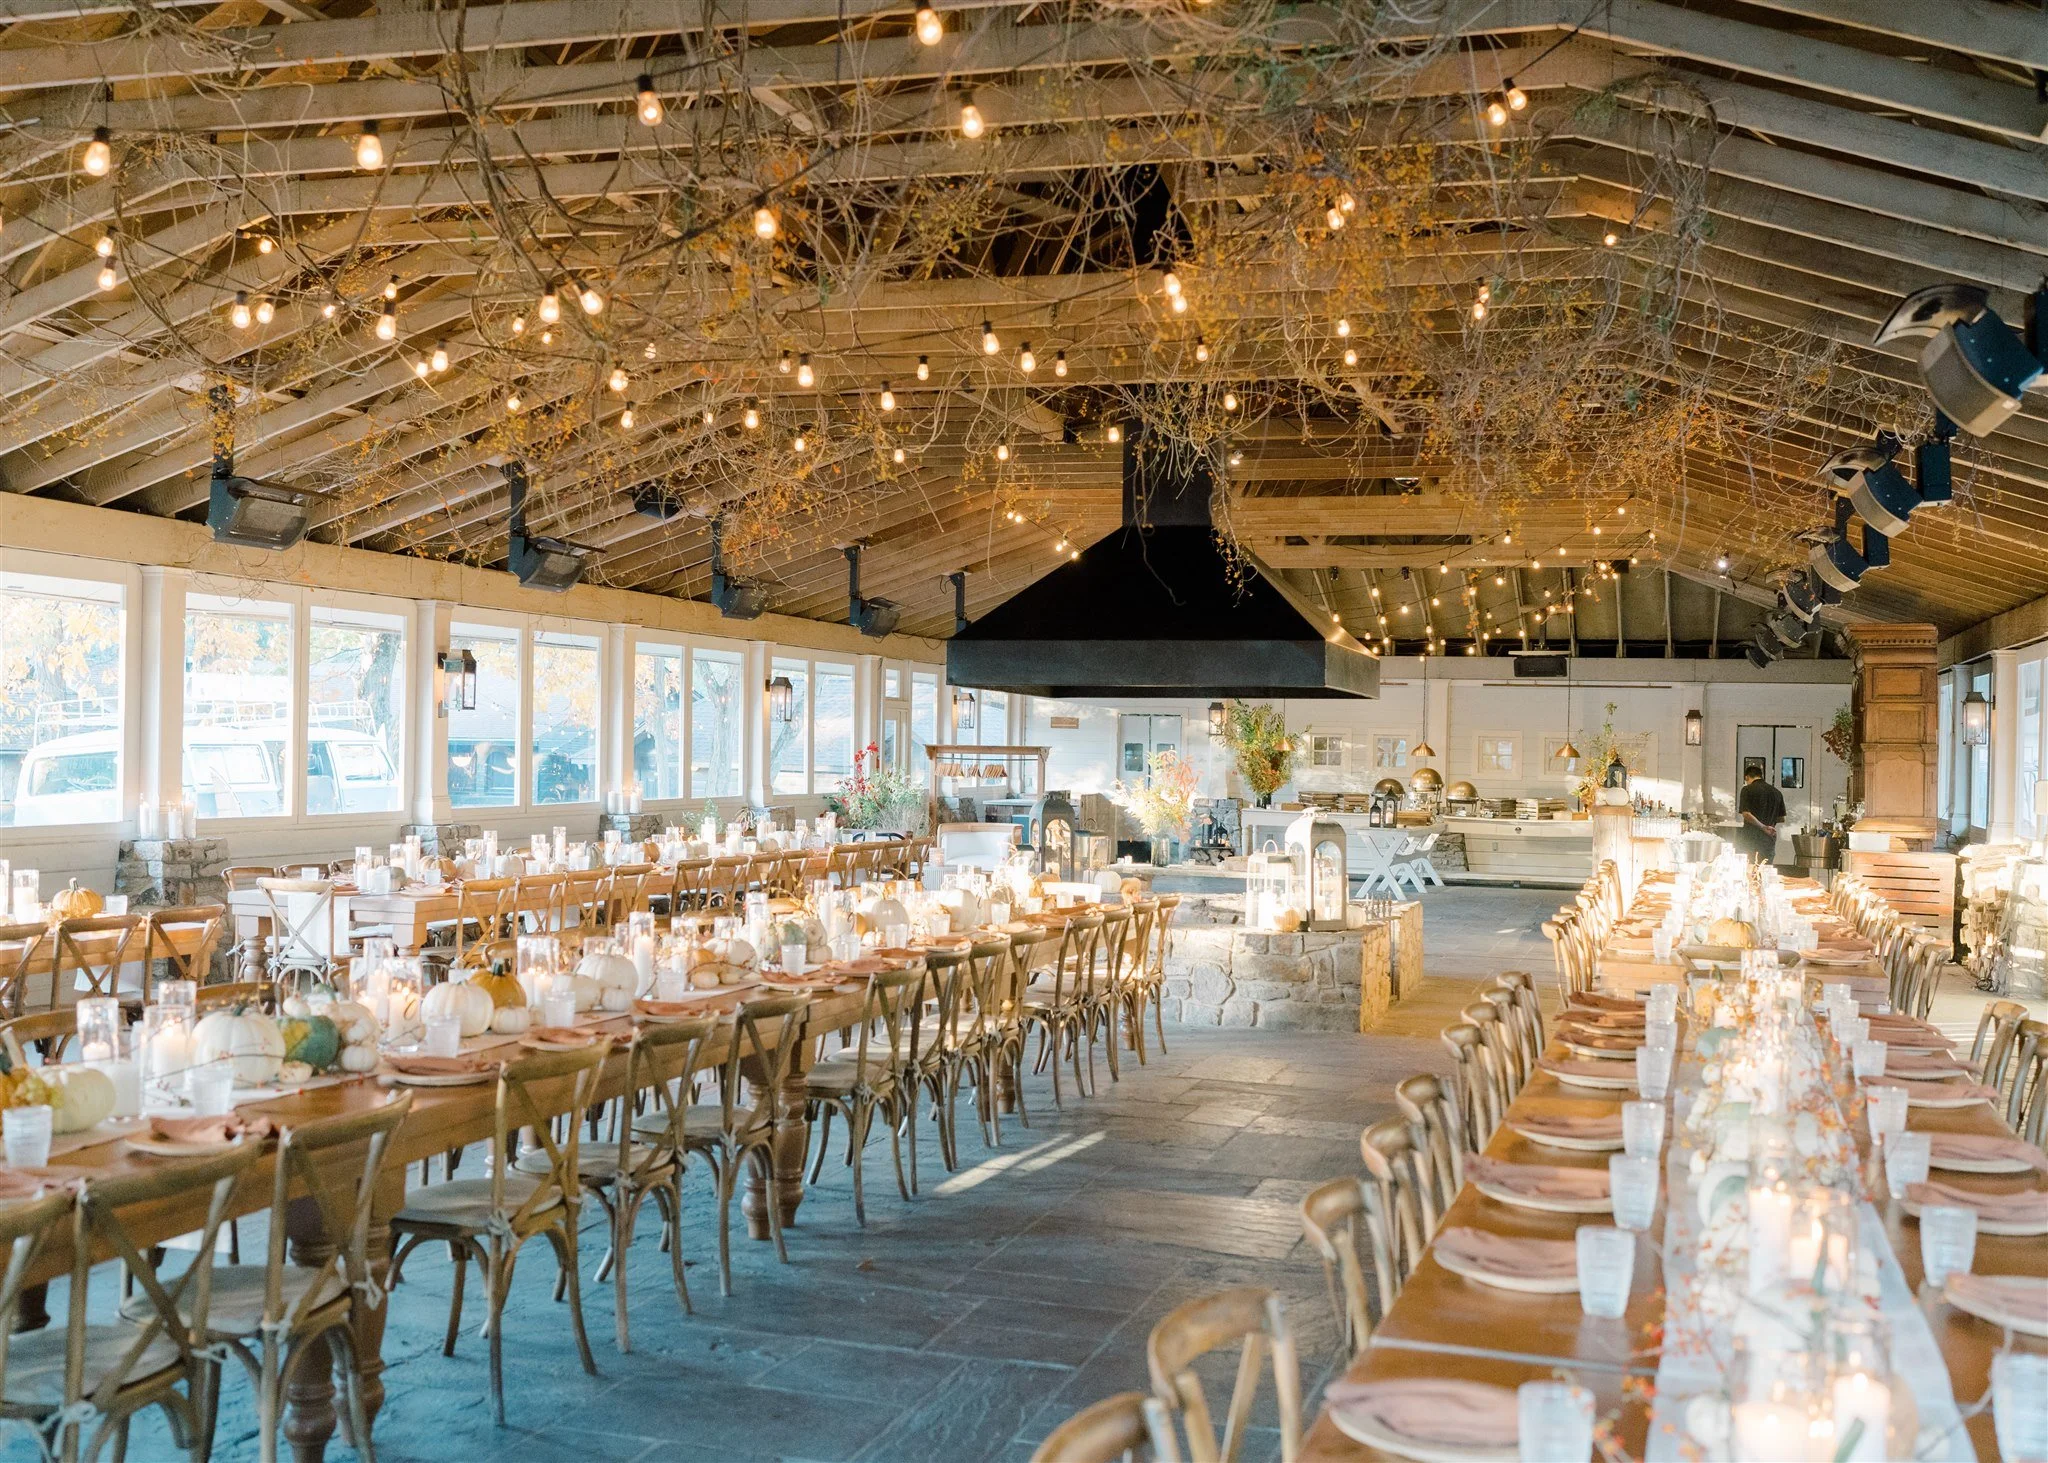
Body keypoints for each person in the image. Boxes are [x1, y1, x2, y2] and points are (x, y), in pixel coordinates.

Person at [1737, 768, 1786, 864]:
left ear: (1746, 777)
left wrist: (1762, 827)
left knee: (1750, 868)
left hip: (1750, 837)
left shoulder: (1747, 790)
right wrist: (1769, 823)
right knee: (1766, 868)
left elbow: (1746, 814)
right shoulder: (1777, 792)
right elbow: (1781, 818)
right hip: (1769, 838)